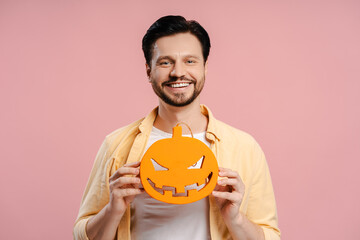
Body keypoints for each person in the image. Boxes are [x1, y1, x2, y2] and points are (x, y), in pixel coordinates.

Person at [73, 15, 280, 240]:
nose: (178, 72)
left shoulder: (245, 148)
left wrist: (235, 218)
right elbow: (81, 235)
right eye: (165, 62)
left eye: (190, 61)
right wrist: (113, 210)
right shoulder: (116, 145)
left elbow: (270, 236)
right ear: (148, 70)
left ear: (205, 67)